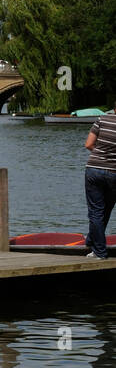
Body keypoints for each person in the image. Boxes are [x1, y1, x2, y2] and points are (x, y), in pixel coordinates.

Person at [83, 108, 116, 257]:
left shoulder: (102, 119)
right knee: (106, 210)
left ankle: (99, 252)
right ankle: (92, 240)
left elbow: (89, 144)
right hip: (114, 172)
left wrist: (101, 155)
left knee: (96, 211)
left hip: (94, 169)